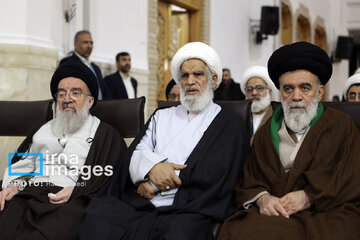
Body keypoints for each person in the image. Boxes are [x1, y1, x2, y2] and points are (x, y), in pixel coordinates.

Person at [79, 42, 249, 240]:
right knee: (99, 219)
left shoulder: (229, 122)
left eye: (198, 74)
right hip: (142, 199)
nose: (190, 81)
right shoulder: (162, 115)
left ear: (213, 80)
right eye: (184, 75)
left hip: (190, 206)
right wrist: (149, 171)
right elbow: (137, 152)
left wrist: (156, 183)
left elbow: (217, 170)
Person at [218, 41, 360, 240]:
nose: (296, 96)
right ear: (281, 93)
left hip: (324, 210)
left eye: (305, 88)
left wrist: (308, 196)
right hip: (274, 211)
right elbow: (250, 179)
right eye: (288, 89)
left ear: (319, 92)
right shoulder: (265, 133)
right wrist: (262, 199)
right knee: (237, 230)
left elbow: (350, 178)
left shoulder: (341, 126)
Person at [0, 60, 127, 240]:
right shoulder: (42, 131)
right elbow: (24, 165)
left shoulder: (106, 135)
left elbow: (112, 181)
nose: (67, 99)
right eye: (62, 94)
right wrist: (14, 185)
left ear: (90, 101)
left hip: (70, 202)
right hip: (29, 194)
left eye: (76, 93)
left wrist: (78, 190)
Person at [60, 30, 107, 100]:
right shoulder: (68, 63)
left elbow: (104, 91)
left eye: (91, 43)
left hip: (99, 108)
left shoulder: (96, 68)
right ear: (75, 44)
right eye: (85, 42)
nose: (89, 46)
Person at [240, 66, 279, 143]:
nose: (254, 93)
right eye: (249, 89)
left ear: (270, 92)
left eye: (259, 87)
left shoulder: (279, 116)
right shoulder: (240, 118)